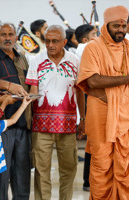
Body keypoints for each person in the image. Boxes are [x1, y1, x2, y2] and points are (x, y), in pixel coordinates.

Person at [25, 25, 85, 200]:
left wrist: (83, 119)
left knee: (69, 169)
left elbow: (80, 92)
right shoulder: (37, 61)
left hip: (68, 125)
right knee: (41, 171)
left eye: (55, 41)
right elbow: (33, 91)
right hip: (41, 126)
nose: (50, 45)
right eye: (47, 41)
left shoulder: (75, 61)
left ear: (64, 42)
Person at [77, 5, 129, 200]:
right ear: (106, 26)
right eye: (116, 26)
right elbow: (93, 80)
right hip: (101, 116)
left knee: (125, 166)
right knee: (101, 164)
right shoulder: (93, 47)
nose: (120, 30)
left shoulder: (127, 48)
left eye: (123, 26)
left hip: (125, 116)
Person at [0, 23, 32, 200]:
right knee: (2, 175)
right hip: (1, 128)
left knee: (23, 174)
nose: (7, 38)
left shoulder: (22, 59)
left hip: (23, 125)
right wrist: (3, 98)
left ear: (16, 38)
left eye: (11, 34)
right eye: (3, 35)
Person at [75, 24, 97, 192]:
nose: (97, 36)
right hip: (91, 97)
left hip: (90, 97)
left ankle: (88, 181)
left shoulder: (86, 46)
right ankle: (89, 181)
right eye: (94, 33)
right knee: (94, 140)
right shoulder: (87, 47)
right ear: (85, 38)